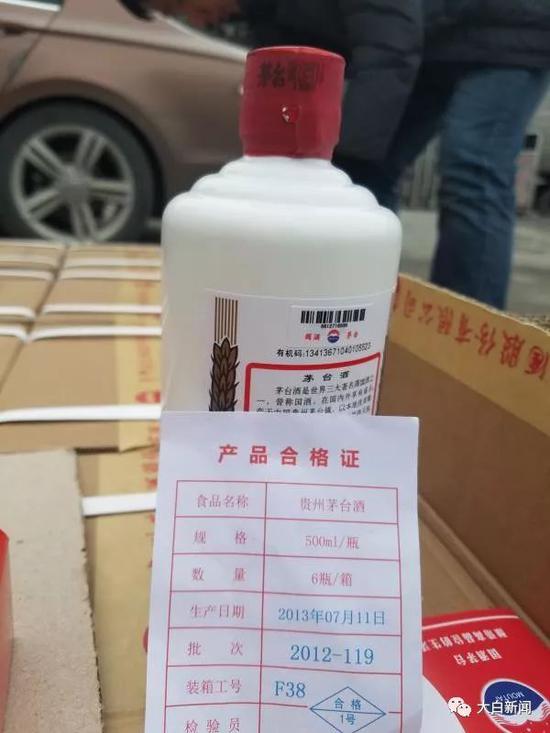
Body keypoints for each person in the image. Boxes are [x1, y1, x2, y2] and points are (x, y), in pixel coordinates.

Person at [121, 0, 550, 309]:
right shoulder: (262, 13)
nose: (194, 20)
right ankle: (358, 308)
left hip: (509, 23)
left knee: (472, 164)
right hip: (434, 41)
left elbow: (389, 44)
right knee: (372, 172)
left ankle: (470, 341)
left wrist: (340, 164)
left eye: (179, 6)